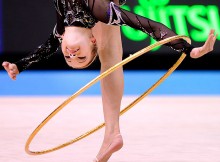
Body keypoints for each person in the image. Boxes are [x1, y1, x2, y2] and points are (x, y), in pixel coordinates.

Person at [2, 0, 217, 161]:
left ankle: (111, 134)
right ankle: (111, 133)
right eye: (81, 57)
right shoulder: (101, 10)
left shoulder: (61, 27)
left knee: (111, 58)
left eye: (69, 57)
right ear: (92, 39)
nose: (72, 54)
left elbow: (46, 48)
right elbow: (147, 25)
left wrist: (19, 66)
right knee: (111, 57)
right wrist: (188, 50)